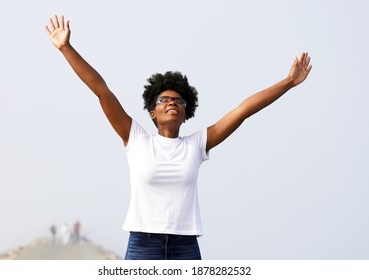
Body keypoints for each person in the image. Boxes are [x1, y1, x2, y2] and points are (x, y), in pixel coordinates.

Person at [45, 15, 312, 260]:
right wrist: (66, 48)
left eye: (179, 101)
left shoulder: (196, 144)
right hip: (142, 244)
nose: (172, 103)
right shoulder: (136, 139)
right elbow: (102, 91)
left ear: (186, 113)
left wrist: (288, 82)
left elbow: (243, 110)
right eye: (164, 100)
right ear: (153, 112)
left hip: (185, 246)